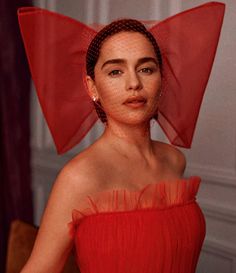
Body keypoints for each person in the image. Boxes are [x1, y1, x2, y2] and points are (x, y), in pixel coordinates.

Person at [17, 2, 225, 272]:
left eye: (146, 69)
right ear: (92, 87)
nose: (134, 84)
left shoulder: (174, 161)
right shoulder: (81, 176)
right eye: (116, 71)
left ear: (162, 80)